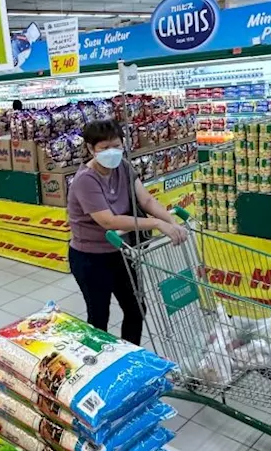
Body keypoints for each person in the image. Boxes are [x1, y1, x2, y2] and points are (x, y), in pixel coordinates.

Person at [65, 120, 186, 344]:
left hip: (122, 252)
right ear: (91, 149)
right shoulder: (85, 181)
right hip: (90, 258)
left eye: (116, 146)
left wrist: (171, 220)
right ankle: (100, 365)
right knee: (99, 316)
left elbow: (146, 199)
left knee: (136, 309)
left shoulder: (123, 167)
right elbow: (109, 221)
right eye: (104, 148)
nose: (112, 152)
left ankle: (130, 355)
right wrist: (157, 225)